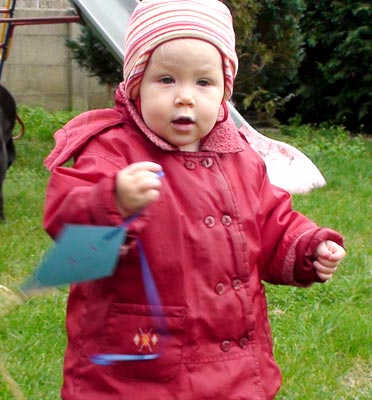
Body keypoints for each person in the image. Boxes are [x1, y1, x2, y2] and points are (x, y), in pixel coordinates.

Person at [42, 0, 346, 398]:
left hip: (234, 367)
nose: (185, 97)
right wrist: (112, 199)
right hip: (135, 370)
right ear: (136, 83)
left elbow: (270, 220)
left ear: (224, 91)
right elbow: (68, 223)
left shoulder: (239, 157)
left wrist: (306, 246)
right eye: (166, 80)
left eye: (203, 83)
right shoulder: (111, 152)